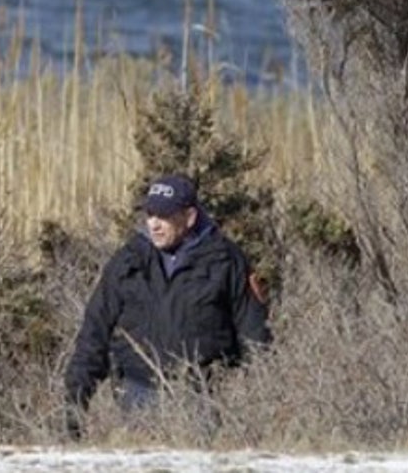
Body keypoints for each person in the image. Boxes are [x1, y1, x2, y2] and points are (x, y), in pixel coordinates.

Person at [63, 173, 271, 439]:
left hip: (204, 398)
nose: (154, 225)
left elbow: (255, 336)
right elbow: (95, 330)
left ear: (189, 217)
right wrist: (75, 401)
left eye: (164, 216)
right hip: (136, 395)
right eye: (150, 215)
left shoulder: (225, 260)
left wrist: (254, 401)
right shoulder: (130, 260)